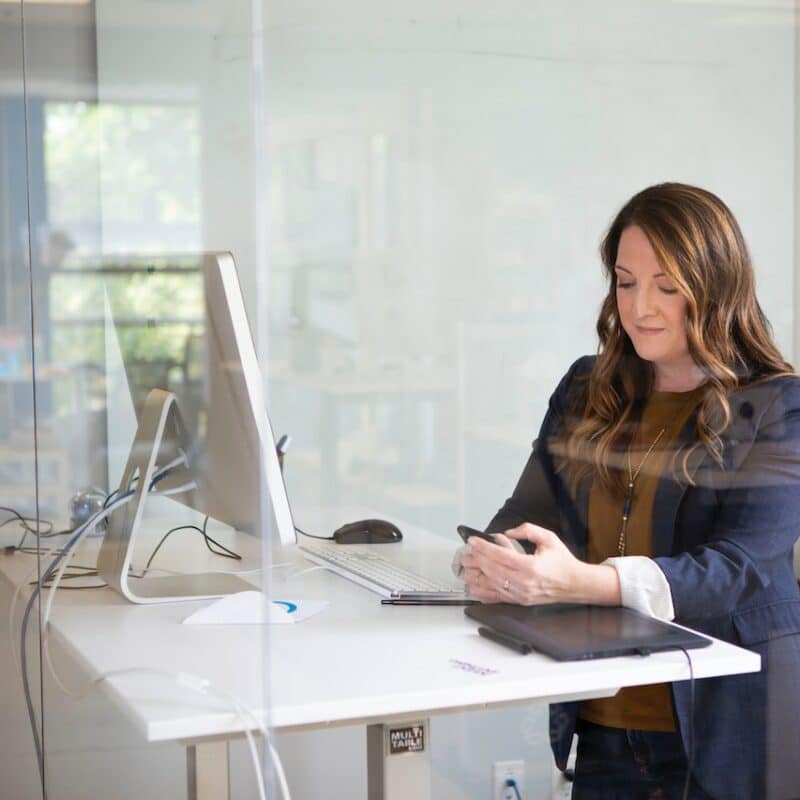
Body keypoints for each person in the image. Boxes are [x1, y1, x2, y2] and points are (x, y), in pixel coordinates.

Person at [459, 183, 800, 799]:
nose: (641, 306)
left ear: (716, 288)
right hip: (606, 727)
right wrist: (493, 560)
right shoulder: (587, 389)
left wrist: (577, 581)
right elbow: (524, 515)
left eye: (667, 287)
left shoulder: (777, 407)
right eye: (625, 281)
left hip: (728, 735)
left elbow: (738, 569)